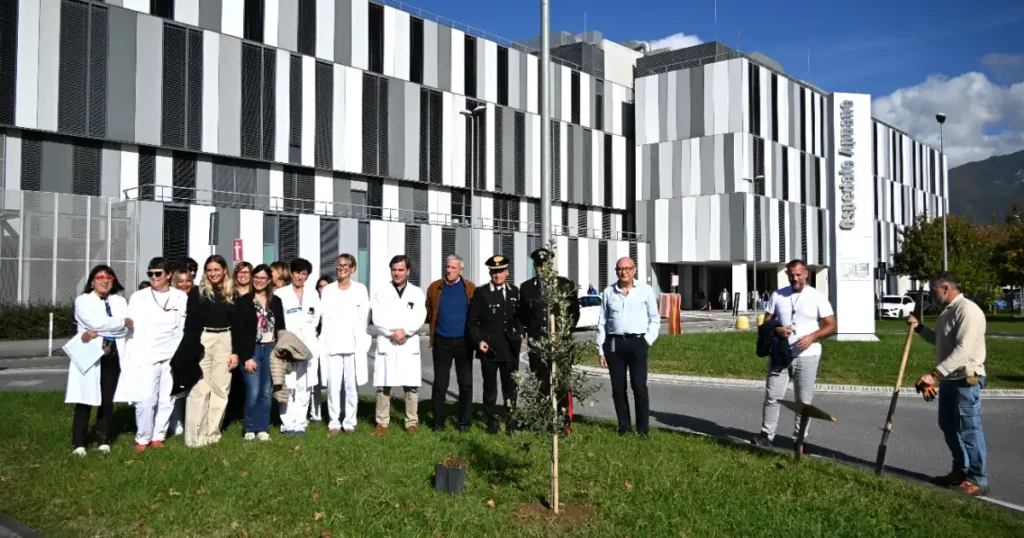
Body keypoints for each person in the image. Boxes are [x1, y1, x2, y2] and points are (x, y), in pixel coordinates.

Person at [908, 271, 989, 496]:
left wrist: (934, 374)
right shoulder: (948, 312)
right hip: (950, 380)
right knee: (948, 425)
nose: (932, 296)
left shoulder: (968, 311)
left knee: (969, 429)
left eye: (934, 291)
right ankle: (960, 470)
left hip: (966, 379)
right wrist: (920, 328)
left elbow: (962, 351)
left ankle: (978, 478)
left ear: (945, 288)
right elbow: (941, 341)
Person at [751, 259, 836, 448]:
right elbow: (766, 322)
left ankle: (800, 440)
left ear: (806, 274)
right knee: (772, 395)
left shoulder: (817, 296)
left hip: (808, 355)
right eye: (791, 275)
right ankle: (766, 435)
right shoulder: (778, 295)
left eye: (798, 275)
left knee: (803, 401)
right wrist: (778, 329)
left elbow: (831, 325)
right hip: (780, 354)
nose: (795, 278)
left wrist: (813, 337)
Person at [116, 257, 188, 451]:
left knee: (167, 398)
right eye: (150, 274)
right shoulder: (139, 297)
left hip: (171, 355)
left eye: (158, 273)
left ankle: (159, 435)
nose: (154, 277)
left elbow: (182, 326)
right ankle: (142, 437)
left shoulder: (180, 297)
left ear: (168, 275)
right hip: (146, 355)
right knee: (146, 399)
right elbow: (131, 327)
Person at [66, 265, 132, 457]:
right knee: (84, 398)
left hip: (112, 354)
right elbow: (94, 322)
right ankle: (79, 443)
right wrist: (119, 323)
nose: (104, 282)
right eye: (100, 278)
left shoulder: (119, 301)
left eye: (109, 278)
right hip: (90, 353)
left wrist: (111, 327)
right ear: (92, 281)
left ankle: (104, 439)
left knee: (107, 397)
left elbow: (126, 329)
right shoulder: (83, 301)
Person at [596, 257, 660, 437]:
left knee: (639, 387)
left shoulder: (645, 291)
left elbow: (655, 319)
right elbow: (601, 323)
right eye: (619, 269)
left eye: (627, 268)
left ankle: (642, 430)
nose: (623, 272)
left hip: (638, 342)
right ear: (616, 271)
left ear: (634, 270)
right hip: (615, 344)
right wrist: (601, 349)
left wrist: (647, 340)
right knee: (618, 388)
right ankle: (624, 428)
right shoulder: (609, 292)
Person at [518, 248, 580, 424]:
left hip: (561, 345)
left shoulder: (566, 285)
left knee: (560, 384)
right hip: (537, 346)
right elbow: (523, 315)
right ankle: (543, 420)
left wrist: (563, 334)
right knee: (541, 383)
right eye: (538, 265)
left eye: (545, 264)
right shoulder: (526, 288)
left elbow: (574, 313)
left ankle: (562, 422)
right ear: (534, 266)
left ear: (551, 265)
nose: (541, 268)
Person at [184, 255, 240, 447]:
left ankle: (212, 434)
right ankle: (195, 436)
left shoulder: (232, 293)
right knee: (199, 388)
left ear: (224, 270)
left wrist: (235, 351)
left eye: (217, 269)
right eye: (210, 270)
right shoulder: (196, 293)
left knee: (221, 388)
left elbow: (238, 326)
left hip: (226, 339)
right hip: (203, 339)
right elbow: (190, 324)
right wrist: (192, 348)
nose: (213, 273)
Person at [370, 255, 427, 436]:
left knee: (410, 385)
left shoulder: (417, 292)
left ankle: (411, 422)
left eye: (401, 270)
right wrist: (392, 332)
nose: (397, 273)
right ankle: (382, 422)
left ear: (408, 271)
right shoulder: (381, 292)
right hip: (388, 342)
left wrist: (406, 332)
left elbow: (420, 316)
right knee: (383, 384)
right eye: (394, 270)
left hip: (408, 343)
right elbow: (377, 317)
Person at [468, 255, 523, 435]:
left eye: (500, 271)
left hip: (510, 350)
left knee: (510, 390)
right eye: (494, 271)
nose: (497, 274)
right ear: (490, 273)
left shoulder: (515, 291)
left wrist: (521, 332)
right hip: (489, 349)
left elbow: (519, 318)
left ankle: (511, 424)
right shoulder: (482, 293)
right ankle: (491, 423)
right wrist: (479, 340)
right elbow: (473, 321)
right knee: (490, 390)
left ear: (507, 272)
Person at [319, 254, 371, 434]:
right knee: (333, 385)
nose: (342, 268)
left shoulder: (360, 289)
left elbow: (364, 317)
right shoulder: (328, 290)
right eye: (339, 265)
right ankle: (334, 421)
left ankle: (349, 421)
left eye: (346, 265)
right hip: (332, 344)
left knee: (351, 386)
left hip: (353, 345)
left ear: (353, 268)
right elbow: (324, 318)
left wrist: (360, 340)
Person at [424, 254, 476, 432]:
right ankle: (438, 422)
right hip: (441, 341)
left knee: (466, 384)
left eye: (453, 267)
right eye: (447, 267)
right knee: (440, 383)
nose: (449, 270)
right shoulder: (435, 288)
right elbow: (429, 311)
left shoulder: (469, 289)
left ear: (461, 269)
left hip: (464, 342)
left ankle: (464, 422)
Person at [233, 264, 286, 442]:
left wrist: (281, 350)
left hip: (270, 348)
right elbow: (238, 332)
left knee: (265, 390)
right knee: (253, 390)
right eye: (256, 277)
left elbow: (281, 328)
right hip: (252, 349)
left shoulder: (275, 301)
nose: (259, 281)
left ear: (269, 280)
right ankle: (249, 427)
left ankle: (262, 427)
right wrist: (246, 356)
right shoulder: (243, 301)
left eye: (263, 278)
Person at [275, 258, 321, 435]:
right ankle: (288, 422)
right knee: (288, 384)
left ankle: (301, 421)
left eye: (304, 274)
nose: (300, 277)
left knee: (304, 385)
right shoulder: (281, 294)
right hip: (288, 343)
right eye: (297, 273)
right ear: (291, 273)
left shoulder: (313, 294)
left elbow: (315, 319)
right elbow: (280, 320)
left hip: (308, 343)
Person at [167, 268, 195, 436]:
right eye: (181, 281)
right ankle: (174, 422)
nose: (185, 284)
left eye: (188, 280)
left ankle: (187, 420)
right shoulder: (172, 299)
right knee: (174, 387)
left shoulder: (195, 298)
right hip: (174, 347)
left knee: (189, 386)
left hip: (190, 346)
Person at [227, 261, 254, 424]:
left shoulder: (255, 294)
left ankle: (246, 411)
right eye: (240, 272)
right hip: (231, 338)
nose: (243, 275)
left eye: (246, 272)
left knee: (249, 377)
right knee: (233, 377)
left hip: (251, 339)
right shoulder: (230, 294)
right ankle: (232, 411)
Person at [310, 275, 333, 423]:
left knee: (332, 380)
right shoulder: (313, 303)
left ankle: (334, 413)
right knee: (314, 381)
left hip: (330, 345)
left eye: (326, 286)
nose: (323, 289)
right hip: (315, 343)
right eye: (320, 286)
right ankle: (315, 413)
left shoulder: (334, 303)